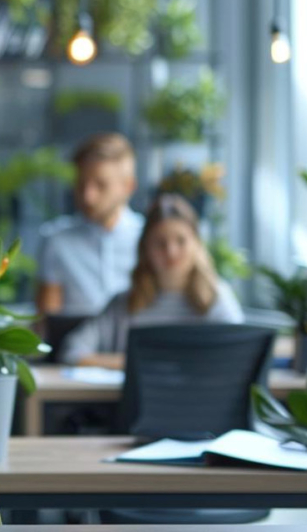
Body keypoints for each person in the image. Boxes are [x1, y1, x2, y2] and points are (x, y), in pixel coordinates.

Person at [59, 193, 244, 367]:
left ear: (197, 244)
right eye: (160, 243)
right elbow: (72, 351)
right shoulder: (124, 304)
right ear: (145, 249)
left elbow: (240, 354)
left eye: (181, 241)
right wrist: (135, 364)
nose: (171, 252)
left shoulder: (216, 299)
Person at [36, 133, 144, 317]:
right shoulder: (56, 240)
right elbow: (47, 324)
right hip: (73, 345)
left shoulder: (149, 239)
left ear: (128, 187)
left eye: (101, 185)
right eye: (81, 184)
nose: (88, 197)